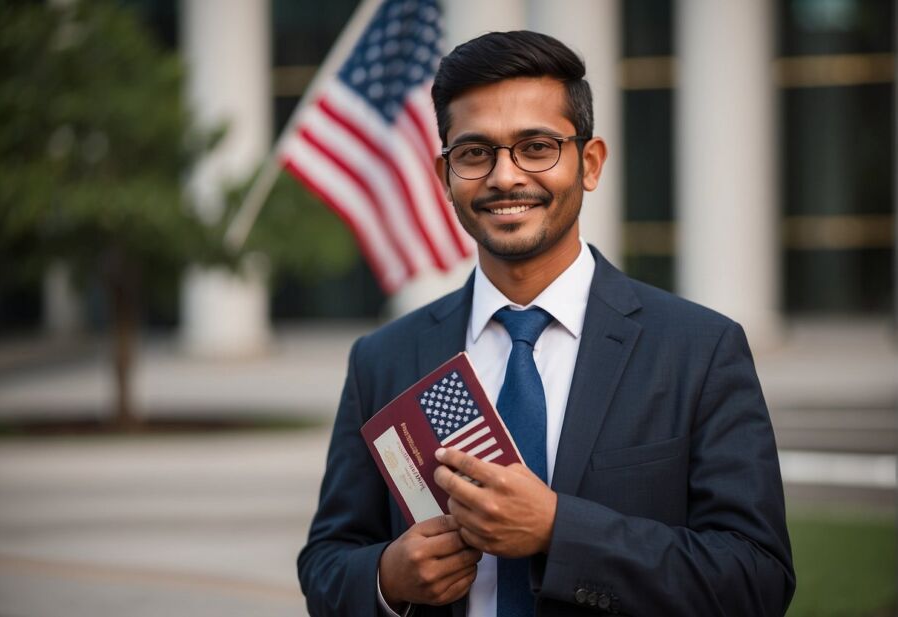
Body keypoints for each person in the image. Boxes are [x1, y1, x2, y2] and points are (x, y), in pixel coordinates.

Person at [298, 30, 795, 617]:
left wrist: (561, 532)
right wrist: (387, 579)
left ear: (589, 163)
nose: (505, 177)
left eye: (536, 147)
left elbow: (756, 578)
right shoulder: (384, 358)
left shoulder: (699, 350)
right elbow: (327, 563)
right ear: (445, 176)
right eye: (475, 153)